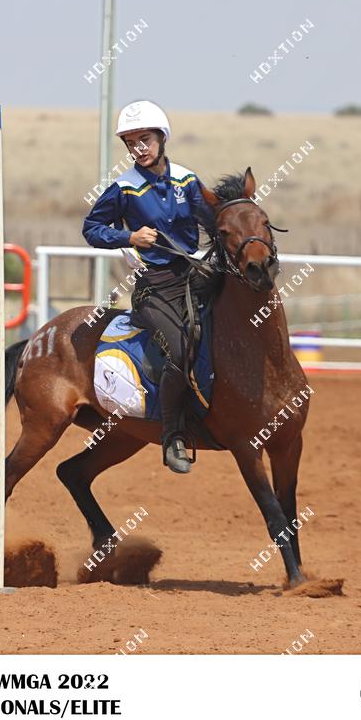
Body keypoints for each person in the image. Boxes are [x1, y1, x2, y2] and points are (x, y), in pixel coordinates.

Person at [82, 100, 216, 474]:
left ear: (162, 137)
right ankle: (173, 438)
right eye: (131, 143)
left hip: (194, 280)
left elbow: (213, 223)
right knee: (179, 350)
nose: (139, 148)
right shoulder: (124, 188)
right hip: (152, 289)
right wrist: (129, 237)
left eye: (145, 139)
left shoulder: (187, 181)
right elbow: (92, 229)